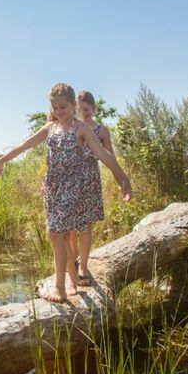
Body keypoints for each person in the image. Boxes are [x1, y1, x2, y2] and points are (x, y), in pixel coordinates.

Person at [0, 83, 131, 303]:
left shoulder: (81, 129)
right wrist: (2, 159)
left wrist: (123, 178)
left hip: (73, 187)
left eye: (63, 106)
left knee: (54, 232)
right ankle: (72, 279)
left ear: (74, 104)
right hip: (52, 188)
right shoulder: (50, 128)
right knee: (63, 234)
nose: (58, 111)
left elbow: (104, 156)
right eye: (55, 107)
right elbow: (24, 145)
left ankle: (60, 287)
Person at [68, 90, 116, 286]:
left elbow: (109, 156)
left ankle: (83, 267)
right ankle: (72, 261)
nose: (83, 113)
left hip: (90, 179)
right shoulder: (71, 127)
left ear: (93, 109)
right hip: (70, 180)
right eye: (79, 110)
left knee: (86, 226)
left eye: (86, 110)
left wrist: (120, 179)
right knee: (71, 226)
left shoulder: (102, 131)